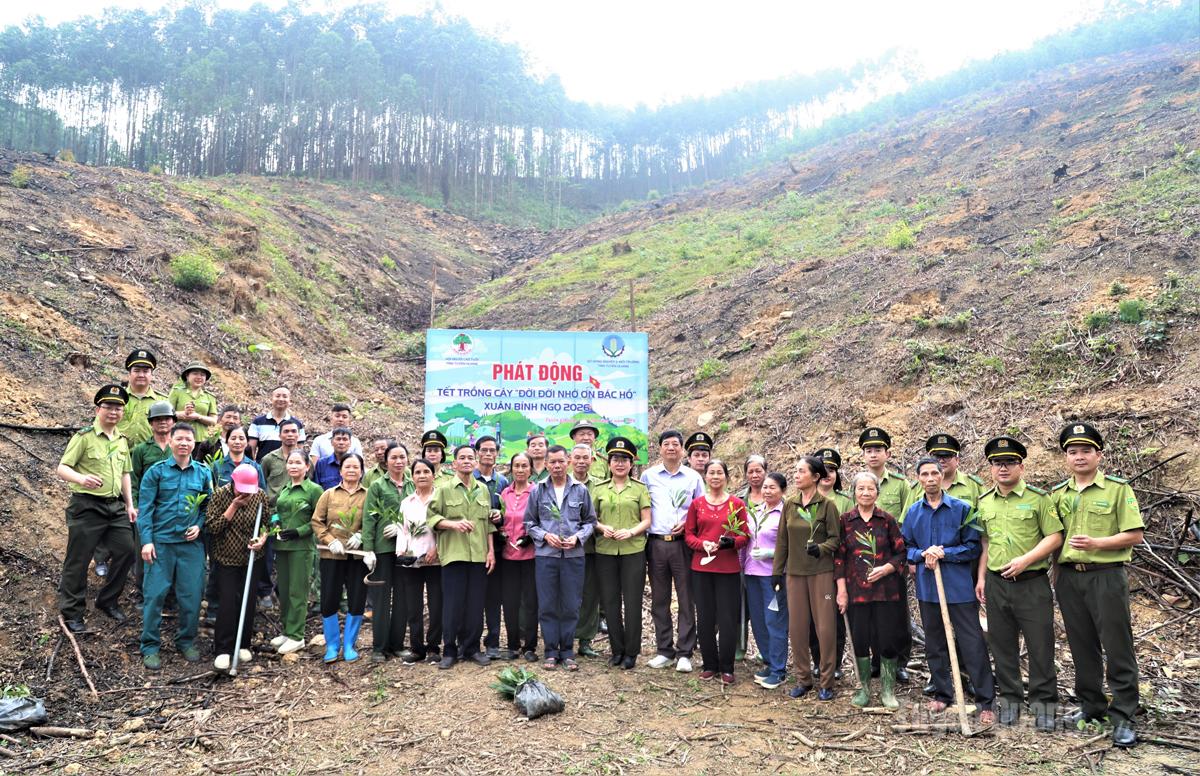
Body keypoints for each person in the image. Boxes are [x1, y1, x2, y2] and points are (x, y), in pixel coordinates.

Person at [1052, 422, 1144, 748]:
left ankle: (1124, 716)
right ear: (1066, 457)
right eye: (1073, 451)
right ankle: (1091, 707)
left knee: (1117, 645)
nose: (1079, 457)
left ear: (1099, 455)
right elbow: (1053, 537)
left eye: (1086, 450)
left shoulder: (1117, 489)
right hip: (1069, 577)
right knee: (1081, 645)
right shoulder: (1058, 494)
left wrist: (1097, 543)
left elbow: (1135, 534)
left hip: (1105, 575)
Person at [974, 436, 1063, 731]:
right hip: (997, 583)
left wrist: (1026, 559)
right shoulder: (985, 502)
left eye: (1009, 462)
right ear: (990, 468)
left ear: (1021, 466)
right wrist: (981, 577)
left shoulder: (1039, 499)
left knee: (1040, 646)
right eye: (997, 463)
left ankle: (1044, 705)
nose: (1003, 468)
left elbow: (1054, 536)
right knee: (1002, 646)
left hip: (1031, 583)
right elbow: (986, 541)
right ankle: (1010, 700)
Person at [902, 456, 995, 725]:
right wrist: (923, 552)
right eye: (924, 474)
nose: (930, 479)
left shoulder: (961, 509)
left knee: (972, 643)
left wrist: (944, 553)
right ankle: (943, 694)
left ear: (943, 476)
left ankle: (985, 700)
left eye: (935, 473)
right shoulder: (913, 513)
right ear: (918, 479)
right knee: (935, 643)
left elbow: (973, 547)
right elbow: (906, 547)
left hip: (959, 588)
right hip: (928, 589)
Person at [56, 385, 139, 633]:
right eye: (109, 406)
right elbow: (62, 468)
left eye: (118, 407)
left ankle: (108, 600)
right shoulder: (84, 437)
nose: (113, 411)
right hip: (87, 507)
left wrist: (129, 504)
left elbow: (125, 473)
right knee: (78, 560)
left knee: (127, 550)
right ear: (98, 409)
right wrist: (81, 479)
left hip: (114, 507)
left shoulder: (122, 440)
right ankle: (72, 612)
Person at [137, 422, 213, 670]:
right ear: (170, 441)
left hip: (191, 547)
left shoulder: (203, 473)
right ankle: (150, 646)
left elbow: (207, 507)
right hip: (161, 544)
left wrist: (199, 525)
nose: (183, 443)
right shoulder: (156, 472)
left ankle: (186, 641)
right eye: (179, 439)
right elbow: (145, 510)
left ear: (194, 444)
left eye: (188, 440)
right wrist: (146, 541)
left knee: (191, 597)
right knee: (155, 595)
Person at [834, 471, 906, 710]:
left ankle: (887, 689)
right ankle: (864, 689)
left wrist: (887, 568)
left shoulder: (887, 520)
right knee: (860, 639)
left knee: (887, 639)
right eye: (860, 488)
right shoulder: (845, 521)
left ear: (877, 492)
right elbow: (839, 559)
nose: (865, 493)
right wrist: (841, 591)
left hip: (886, 592)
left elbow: (901, 553)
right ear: (853, 492)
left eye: (870, 489)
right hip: (857, 593)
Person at [774, 455, 841, 700]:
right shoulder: (790, 505)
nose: (796, 475)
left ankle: (827, 681)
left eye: (802, 471)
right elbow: (783, 541)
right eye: (796, 471)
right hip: (794, 574)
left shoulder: (827, 505)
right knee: (798, 628)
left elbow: (835, 539)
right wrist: (776, 572)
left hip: (820, 573)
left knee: (824, 628)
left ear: (815, 477)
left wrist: (821, 549)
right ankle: (803, 679)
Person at [524, 445, 596, 670]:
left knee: (571, 604)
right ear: (546, 464)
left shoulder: (580, 490)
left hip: (573, 556)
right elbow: (529, 523)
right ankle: (550, 651)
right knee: (547, 604)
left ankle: (567, 651)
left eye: (561, 461)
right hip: (546, 556)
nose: (557, 466)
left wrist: (578, 538)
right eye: (552, 462)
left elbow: (590, 522)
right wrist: (545, 535)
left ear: (569, 463)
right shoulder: (538, 490)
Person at [642, 429, 704, 672]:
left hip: (683, 545)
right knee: (660, 598)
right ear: (659, 449)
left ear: (682, 450)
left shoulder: (693, 477)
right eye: (666, 444)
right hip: (656, 543)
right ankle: (664, 650)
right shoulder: (648, 476)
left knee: (686, 598)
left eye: (675, 444)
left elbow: (701, 510)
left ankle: (685, 652)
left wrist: (688, 523)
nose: (671, 448)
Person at [428, 445, 496, 669]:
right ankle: (450, 651)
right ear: (454, 464)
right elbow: (432, 517)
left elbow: (487, 524)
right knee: (453, 605)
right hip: (454, 555)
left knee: (476, 605)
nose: (467, 461)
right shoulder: (444, 489)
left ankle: (472, 648)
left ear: (476, 463)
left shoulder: (483, 490)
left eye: (470, 458)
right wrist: (453, 524)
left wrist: (491, 551)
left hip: (478, 555)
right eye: (462, 458)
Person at [858, 427, 915, 683]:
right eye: (868, 450)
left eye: (878, 450)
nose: (873, 454)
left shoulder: (901, 485)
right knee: (869, 615)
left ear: (887, 453)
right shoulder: (859, 484)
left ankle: (900, 661)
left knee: (897, 614)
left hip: (892, 561)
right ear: (863, 454)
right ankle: (875, 660)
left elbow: (906, 521)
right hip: (865, 563)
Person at [685, 459, 749, 684]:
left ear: (726, 477)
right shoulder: (697, 504)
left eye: (719, 473)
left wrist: (728, 543)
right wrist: (703, 544)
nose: (715, 477)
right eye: (711, 473)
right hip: (701, 568)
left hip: (728, 568)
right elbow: (689, 535)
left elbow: (744, 536)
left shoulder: (737, 504)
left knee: (727, 618)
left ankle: (727, 666)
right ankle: (709, 664)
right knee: (705, 617)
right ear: (705, 476)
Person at [592, 437, 651, 669]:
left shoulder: (639, 488)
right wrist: (601, 527)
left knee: (633, 602)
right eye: (615, 459)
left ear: (631, 463)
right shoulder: (598, 489)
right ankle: (616, 650)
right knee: (610, 602)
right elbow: (591, 518)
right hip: (605, 551)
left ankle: (631, 652)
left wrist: (631, 531)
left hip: (633, 551)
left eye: (624, 459)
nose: (619, 463)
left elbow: (647, 520)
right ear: (609, 463)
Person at [205, 463, 268, 671]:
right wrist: (233, 506)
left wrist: (262, 539)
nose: (245, 493)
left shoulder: (259, 496)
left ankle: (244, 643)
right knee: (228, 601)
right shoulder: (221, 495)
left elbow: (268, 522)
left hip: (252, 556)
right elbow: (213, 526)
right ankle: (223, 648)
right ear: (233, 482)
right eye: (241, 489)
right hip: (226, 558)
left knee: (248, 600)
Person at [311, 453, 369, 663]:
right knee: (329, 599)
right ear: (340, 470)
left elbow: (373, 521)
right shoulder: (329, 495)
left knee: (356, 598)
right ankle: (332, 645)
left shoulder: (368, 495)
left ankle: (349, 645)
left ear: (362, 471)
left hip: (357, 557)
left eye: (356, 467)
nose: (352, 470)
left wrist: (362, 535)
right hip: (331, 555)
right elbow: (317, 521)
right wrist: (329, 540)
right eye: (348, 466)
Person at [362, 442, 416, 662]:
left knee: (403, 598)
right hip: (383, 549)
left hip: (405, 549)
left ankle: (397, 644)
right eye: (393, 457)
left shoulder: (413, 484)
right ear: (386, 460)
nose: (398, 461)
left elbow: (421, 514)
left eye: (402, 457)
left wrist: (403, 527)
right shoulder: (377, 485)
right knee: (382, 598)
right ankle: (379, 647)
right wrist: (368, 549)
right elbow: (369, 517)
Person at [269, 449, 322, 654]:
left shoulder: (314, 490)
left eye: (298, 463)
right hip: (282, 546)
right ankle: (286, 630)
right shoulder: (285, 488)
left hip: (302, 547)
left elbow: (318, 520)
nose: (293, 466)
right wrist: (275, 525)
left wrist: (298, 532)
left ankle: (297, 635)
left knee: (297, 591)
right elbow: (276, 511)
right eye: (290, 462)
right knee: (283, 589)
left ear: (307, 467)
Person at [125, 400, 176, 604]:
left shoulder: (180, 445)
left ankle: (170, 595)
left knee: (170, 551)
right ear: (151, 423)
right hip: (147, 509)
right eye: (157, 419)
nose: (162, 422)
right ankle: (143, 593)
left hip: (173, 509)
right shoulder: (141, 450)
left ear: (173, 421)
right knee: (143, 550)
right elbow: (133, 479)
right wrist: (134, 504)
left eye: (166, 418)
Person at [743, 472, 788, 690]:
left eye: (773, 487)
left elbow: (790, 545)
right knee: (759, 622)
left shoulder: (786, 513)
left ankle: (779, 670)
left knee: (775, 621)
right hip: (752, 573)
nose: (768, 491)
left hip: (773, 576)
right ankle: (769, 663)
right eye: (765, 487)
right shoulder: (756, 511)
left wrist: (771, 553)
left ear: (782, 491)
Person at [812, 447, 851, 680]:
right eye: (823, 469)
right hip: (810, 568)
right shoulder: (804, 499)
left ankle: (834, 663)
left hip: (836, 567)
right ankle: (817, 661)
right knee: (812, 618)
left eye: (833, 469)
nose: (827, 474)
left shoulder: (845, 501)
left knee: (835, 617)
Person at [400, 459, 443, 664]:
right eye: (418, 472)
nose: (422, 475)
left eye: (426, 471)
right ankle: (417, 648)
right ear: (412, 476)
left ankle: (434, 647)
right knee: (413, 606)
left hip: (435, 560)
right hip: (413, 561)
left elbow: (443, 528)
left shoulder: (440, 498)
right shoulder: (407, 502)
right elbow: (402, 530)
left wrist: (437, 549)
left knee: (436, 605)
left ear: (433, 475)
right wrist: (401, 552)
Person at [498, 452, 539, 661]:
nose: (520, 470)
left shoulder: (537, 492)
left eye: (524, 466)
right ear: (511, 468)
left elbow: (543, 519)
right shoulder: (505, 493)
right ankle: (513, 645)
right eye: (517, 466)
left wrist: (530, 537)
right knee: (510, 602)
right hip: (508, 556)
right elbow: (499, 519)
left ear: (531, 469)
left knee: (530, 601)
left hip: (530, 556)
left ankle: (530, 646)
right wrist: (501, 531)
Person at [474, 435, 510, 660]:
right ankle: (472, 640)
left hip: (497, 547)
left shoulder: (503, 482)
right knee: (475, 596)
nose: (488, 454)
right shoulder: (470, 478)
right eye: (484, 450)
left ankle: (494, 641)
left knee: (494, 597)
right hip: (473, 546)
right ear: (477, 452)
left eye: (492, 450)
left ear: (497, 454)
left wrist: (501, 515)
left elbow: (509, 512)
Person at [571, 442, 604, 659]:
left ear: (592, 460)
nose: (582, 461)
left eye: (586, 458)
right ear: (570, 460)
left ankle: (585, 641)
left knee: (590, 596)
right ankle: (562, 640)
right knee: (565, 596)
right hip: (565, 549)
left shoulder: (600, 486)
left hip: (592, 548)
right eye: (578, 457)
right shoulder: (561, 483)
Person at [733, 454, 767, 662]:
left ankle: (765, 648)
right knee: (738, 603)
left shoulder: (774, 496)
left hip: (766, 562)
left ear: (766, 471)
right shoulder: (738, 500)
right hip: (740, 559)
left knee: (762, 606)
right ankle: (739, 646)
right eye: (750, 471)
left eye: (758, 471)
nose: (754, 475)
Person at [118, 349, 166, 447]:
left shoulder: (162, 402)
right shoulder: (117, 398)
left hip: (150, 457)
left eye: (145, 371)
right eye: (136, 371)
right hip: (119, 455)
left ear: (151, 375)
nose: (141, 375)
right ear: (129, 374)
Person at [923, 434, 984, 508]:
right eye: (937, 456)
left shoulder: (973, 485)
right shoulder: (919, 487)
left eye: (947, 456)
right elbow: (908, 517)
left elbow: (983, 516)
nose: (941, 461)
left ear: (957, 460)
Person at [248, 386, 306, 461]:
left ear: (290, 401)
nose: (281, 399)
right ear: (271, 399)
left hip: (288, 468)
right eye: (277, 396)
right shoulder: (258, 422)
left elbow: (299, 451)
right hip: (263, 469)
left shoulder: (297, 424)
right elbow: (251, 449)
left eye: (285, 396)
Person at [260, 418, 305, 509]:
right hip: (273, 510)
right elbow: (261, 486)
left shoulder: (306, 460)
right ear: (279, 435)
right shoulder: (269, 459)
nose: (290, 434)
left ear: (298, 435)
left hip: (299, 510)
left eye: (293, 431)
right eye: (286, 431)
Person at [168, 362, 219, 442]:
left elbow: (214, 421)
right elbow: (167, 414)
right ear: (187, 376)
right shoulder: (177, 392)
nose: (199, 377)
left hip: (201, 440)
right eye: (195, 374)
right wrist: (182, 414)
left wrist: (198, 417)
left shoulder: (209, 396)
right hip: (180, 439)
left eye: (202, 375)